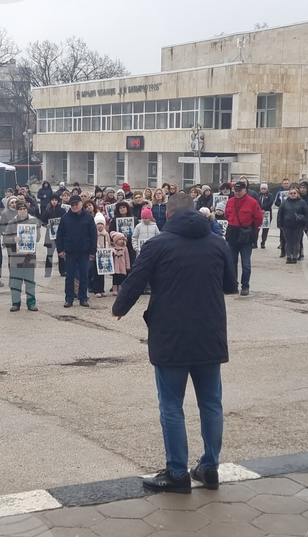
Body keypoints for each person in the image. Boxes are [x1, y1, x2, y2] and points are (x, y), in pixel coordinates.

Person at [111, 192, 237, 494]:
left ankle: (178, 473)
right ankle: (209, 468)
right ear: (194, 212)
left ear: (167, 215)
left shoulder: (158, 245)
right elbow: (230, 285)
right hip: (210, 334)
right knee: (211, 403)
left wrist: (119, 308)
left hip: (171, 336)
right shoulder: (217, 243)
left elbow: (135, 281)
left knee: (171, 406)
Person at [56, 195, 97, 308]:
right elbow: (60, 235)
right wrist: (60, 249)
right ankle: (69, 298)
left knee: (84, 275)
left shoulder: (88, 217)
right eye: (72, 205)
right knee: (70, 276)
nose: (74, 206)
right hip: (70, 251)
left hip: (84, 251)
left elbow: (93, 235)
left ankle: (83, 298)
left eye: (76, 204)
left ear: (80, 204)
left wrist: (93, 251)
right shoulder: (65, 217)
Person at [224, 182, 264, 295]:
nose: (237, 193)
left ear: (245, 190)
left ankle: (245, 285)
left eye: (239, 190)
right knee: (232, 262)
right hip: (232, 232)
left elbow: (258, 219)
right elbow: (227, 215)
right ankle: (233, 285)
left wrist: (251, 230)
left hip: (246, 234)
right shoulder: (230, 201)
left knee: (246, 263)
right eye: (235, 191)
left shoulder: (253, 202)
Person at [3, 201, 41, 312]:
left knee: (30, 281)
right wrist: (13, 239)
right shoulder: (12, 222)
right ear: (17, 210)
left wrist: (31, 237)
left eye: (24, 209)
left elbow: (38, 238)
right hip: (15, 255)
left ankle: (31, 303)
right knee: (15, 281)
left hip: (29, 255)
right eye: (20, 209)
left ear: (27, 210)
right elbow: (5, 239)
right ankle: (15, 303)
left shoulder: (34, 221)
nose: (23, 211)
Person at [276, 188, 308, 264]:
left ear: (297, 194)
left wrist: (306, 225)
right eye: (291, 193)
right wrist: (279, 224)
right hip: (286, 225)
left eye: (294, 193)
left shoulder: (302, 202)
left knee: (296, 242)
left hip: (298, 226)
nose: (293, 195)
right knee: (288, 242)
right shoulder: (284, 203)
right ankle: (288, 257)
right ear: (289, 194)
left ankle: (294, 257)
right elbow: (280, 214)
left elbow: (307, 214)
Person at [41, 195, 66, 278]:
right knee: (49, 254)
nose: (54, 202)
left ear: (58, 201)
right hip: (50, 235)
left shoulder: (62, 211)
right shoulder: (47, 210)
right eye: (52, 200)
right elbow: (42, 221)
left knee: (61, 253)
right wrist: (46, 225)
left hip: (60, 236)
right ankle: (47, 272)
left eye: (55, 200)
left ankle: (63, 271)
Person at [91, 213, 111, 298]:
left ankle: (102, 289)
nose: (100, 226)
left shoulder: (106, 234)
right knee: (96, 273)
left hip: (104, 256)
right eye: (98, 224)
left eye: (101, 224)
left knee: (103, 274)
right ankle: (96, 290)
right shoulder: (94, 234)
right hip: (96, 256)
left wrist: (110, 250)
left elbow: (109, 243)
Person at [110, 231, 131, 295]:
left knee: (121, 277)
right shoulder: (112, 248)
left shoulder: (125, 248)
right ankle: (115, 289)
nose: (121, 241)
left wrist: (128, 266)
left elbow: (127, 257)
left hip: (122, 265)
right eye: (119, 239)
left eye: (122, 239)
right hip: (115, 265)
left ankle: (120, 288)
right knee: (115, 277)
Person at [257, 183, 274, 249]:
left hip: (267, 214)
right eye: (262, 189)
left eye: (264, 189)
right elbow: (256, 202)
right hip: (258, 213)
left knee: (265, 230)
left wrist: (263, 208)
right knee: (257, 229)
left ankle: (263, 242)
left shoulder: (270, 195)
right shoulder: (258, 195)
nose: (263, 190)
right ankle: (255, 242)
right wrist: (260, 209)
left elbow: (270, 202)